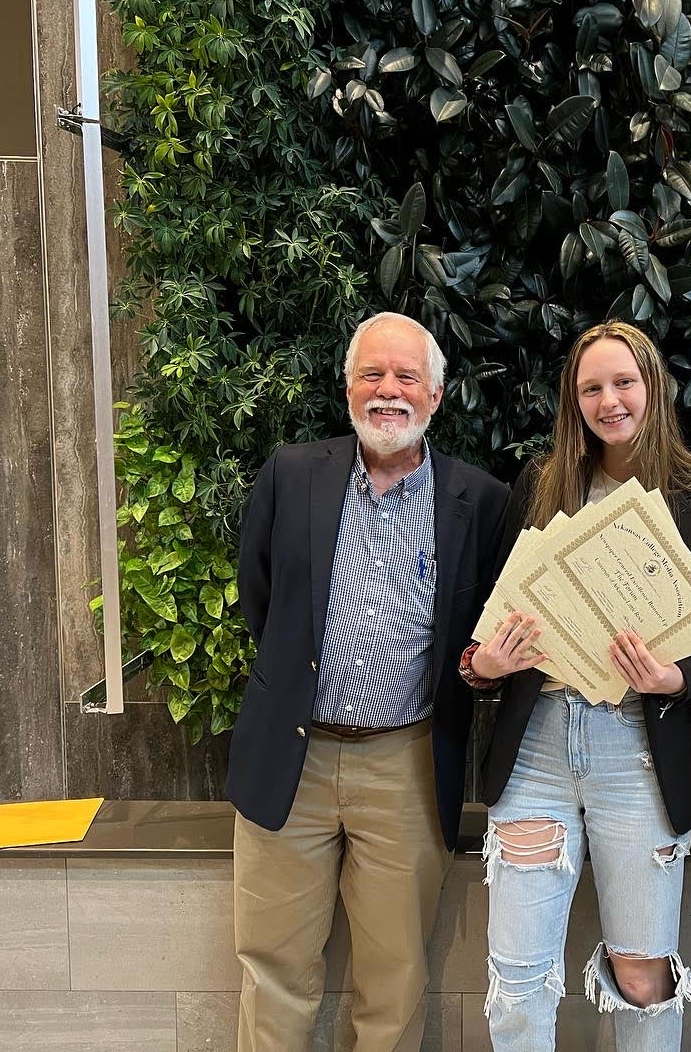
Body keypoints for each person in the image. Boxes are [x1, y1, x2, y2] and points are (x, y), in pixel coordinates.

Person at [229, 312, 510, 1052]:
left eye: (406, 376)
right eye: (372, 374)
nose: (388, 391)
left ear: (437, 395)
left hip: (406, 765)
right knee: (273, 965)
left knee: (394, 976)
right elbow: (261, 598)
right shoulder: (292, 474)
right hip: (293, 756)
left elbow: (483, 633)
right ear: (348, 387)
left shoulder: (479, 501)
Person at [462, 320, 691, 1051]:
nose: (609, 400)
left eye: (624, 383)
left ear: (652, 386)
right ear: (572, 399)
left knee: (643, 975)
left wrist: (675, 675)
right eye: (592, 387)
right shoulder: (540, 484)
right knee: (517, 978)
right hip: (537, 748)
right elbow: (485, 620)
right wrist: (483, 665)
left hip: (637, 749)